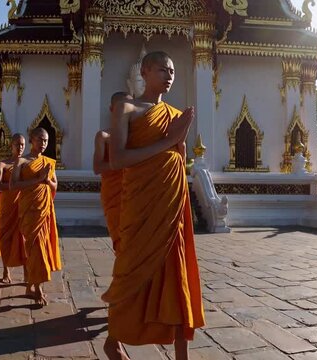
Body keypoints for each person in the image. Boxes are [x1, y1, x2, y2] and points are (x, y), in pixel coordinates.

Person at [101, 51, 205, 360]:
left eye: (172, 71)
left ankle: (181, 353)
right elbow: (118, 159)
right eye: (162, 69)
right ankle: (113, 338)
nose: (169, 75)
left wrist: (178, 137)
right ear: (144, 71)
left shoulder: (175, 114)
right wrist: (168, 140)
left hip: (171, 205)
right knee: (131, 270)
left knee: (176, 275)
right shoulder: (126, 107)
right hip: (141, 204)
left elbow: (180, 159)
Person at [10, 127, 61, 306]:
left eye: (46, 141)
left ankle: (33, 286)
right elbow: (13, 185)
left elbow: (55, 186)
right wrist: (37, 180)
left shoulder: (48, 162)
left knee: (40, 248)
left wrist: (47, 180)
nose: (43, 143)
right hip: (28, 210)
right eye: (40, 139)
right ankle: (36, 288)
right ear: (31, 139)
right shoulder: (21, 161)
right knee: (34, 247)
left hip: (44, 210)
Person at [93, 91, 132, 254]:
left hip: (136, 191)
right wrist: (120, 162)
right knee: (121, 241)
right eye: (120, 106)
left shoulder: (139, 136)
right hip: (114, 193)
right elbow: (97, 167)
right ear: (111, 109)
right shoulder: (104, 136)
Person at [0, 134, 27, 283]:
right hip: (7, 206)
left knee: (24, 239)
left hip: (23, 205)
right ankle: (6, 270)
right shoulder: (2, 164)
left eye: (22, 144)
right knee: (5, 239)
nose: (20, 147)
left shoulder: (26, 163)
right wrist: (14, 186)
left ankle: (27, 272)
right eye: (17, 144)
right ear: (11, 145)